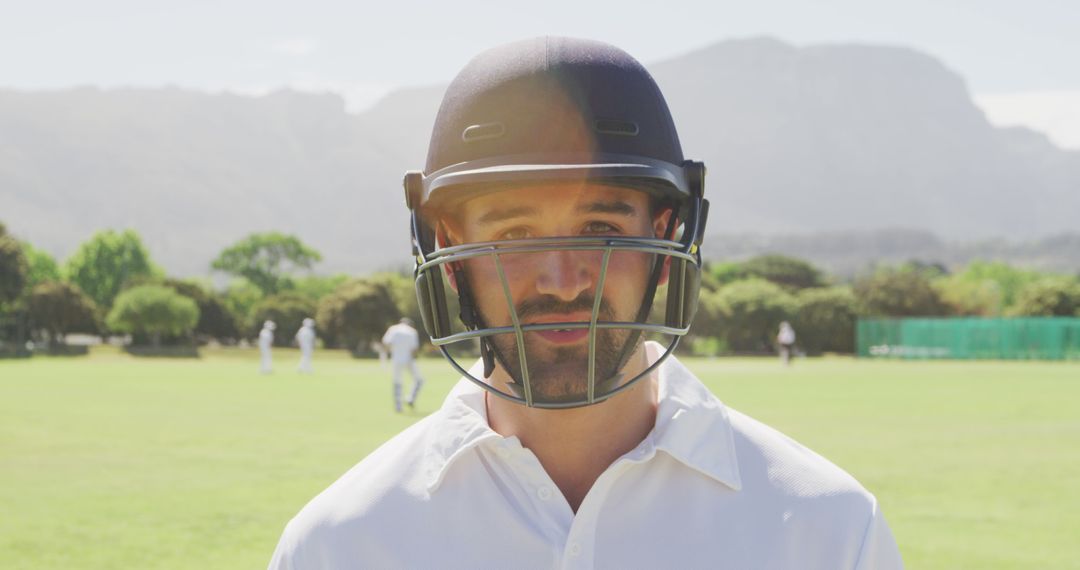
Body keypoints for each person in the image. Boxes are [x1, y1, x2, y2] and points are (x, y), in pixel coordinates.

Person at [270, 37, 902, 569]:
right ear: (450, 248)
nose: (563, 279)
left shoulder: (829, 533)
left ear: (666, 236)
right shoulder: (338, 545)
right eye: (515, 235)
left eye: (601, 229)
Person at [380, 317, 424, 412]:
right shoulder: (412, 331)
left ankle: (398, 405)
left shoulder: (393, 329)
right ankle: (410, 398)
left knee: (397, 382)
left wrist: (386, 355)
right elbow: (414, 349)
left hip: (396, 359)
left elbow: (386, 343)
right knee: (419, 380)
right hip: (409, 360)